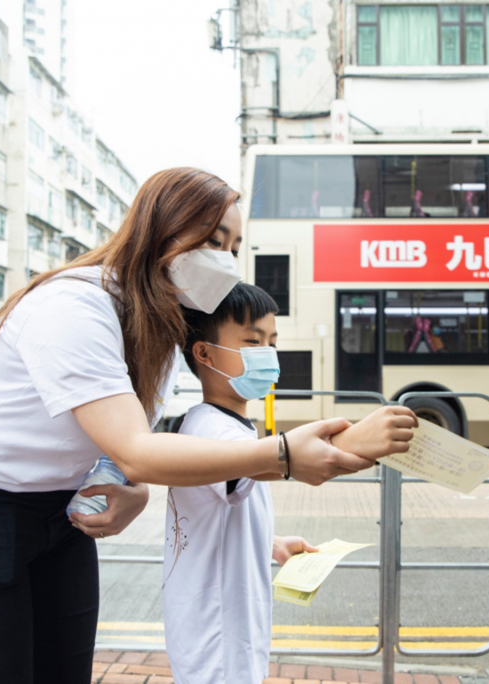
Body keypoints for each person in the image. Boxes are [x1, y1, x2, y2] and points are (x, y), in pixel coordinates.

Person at [0, 167, 417, 684]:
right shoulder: (75, 306)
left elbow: (121, 450)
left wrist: (133, 487)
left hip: (58, 512)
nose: (226, 260)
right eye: (215, 241)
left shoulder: (158, 326)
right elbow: (135, 448)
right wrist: (280, 455)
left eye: (234, 246)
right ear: (162, 232)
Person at [163, 282, 322, 684]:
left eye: (272, 342)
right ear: (204, 353)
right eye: (252, 342)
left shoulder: (216, 424)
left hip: (214, 629)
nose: (268, 354)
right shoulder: (215, 431)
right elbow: (272, 463)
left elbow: (215, 516)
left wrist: (269, 542)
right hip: (219, 640)